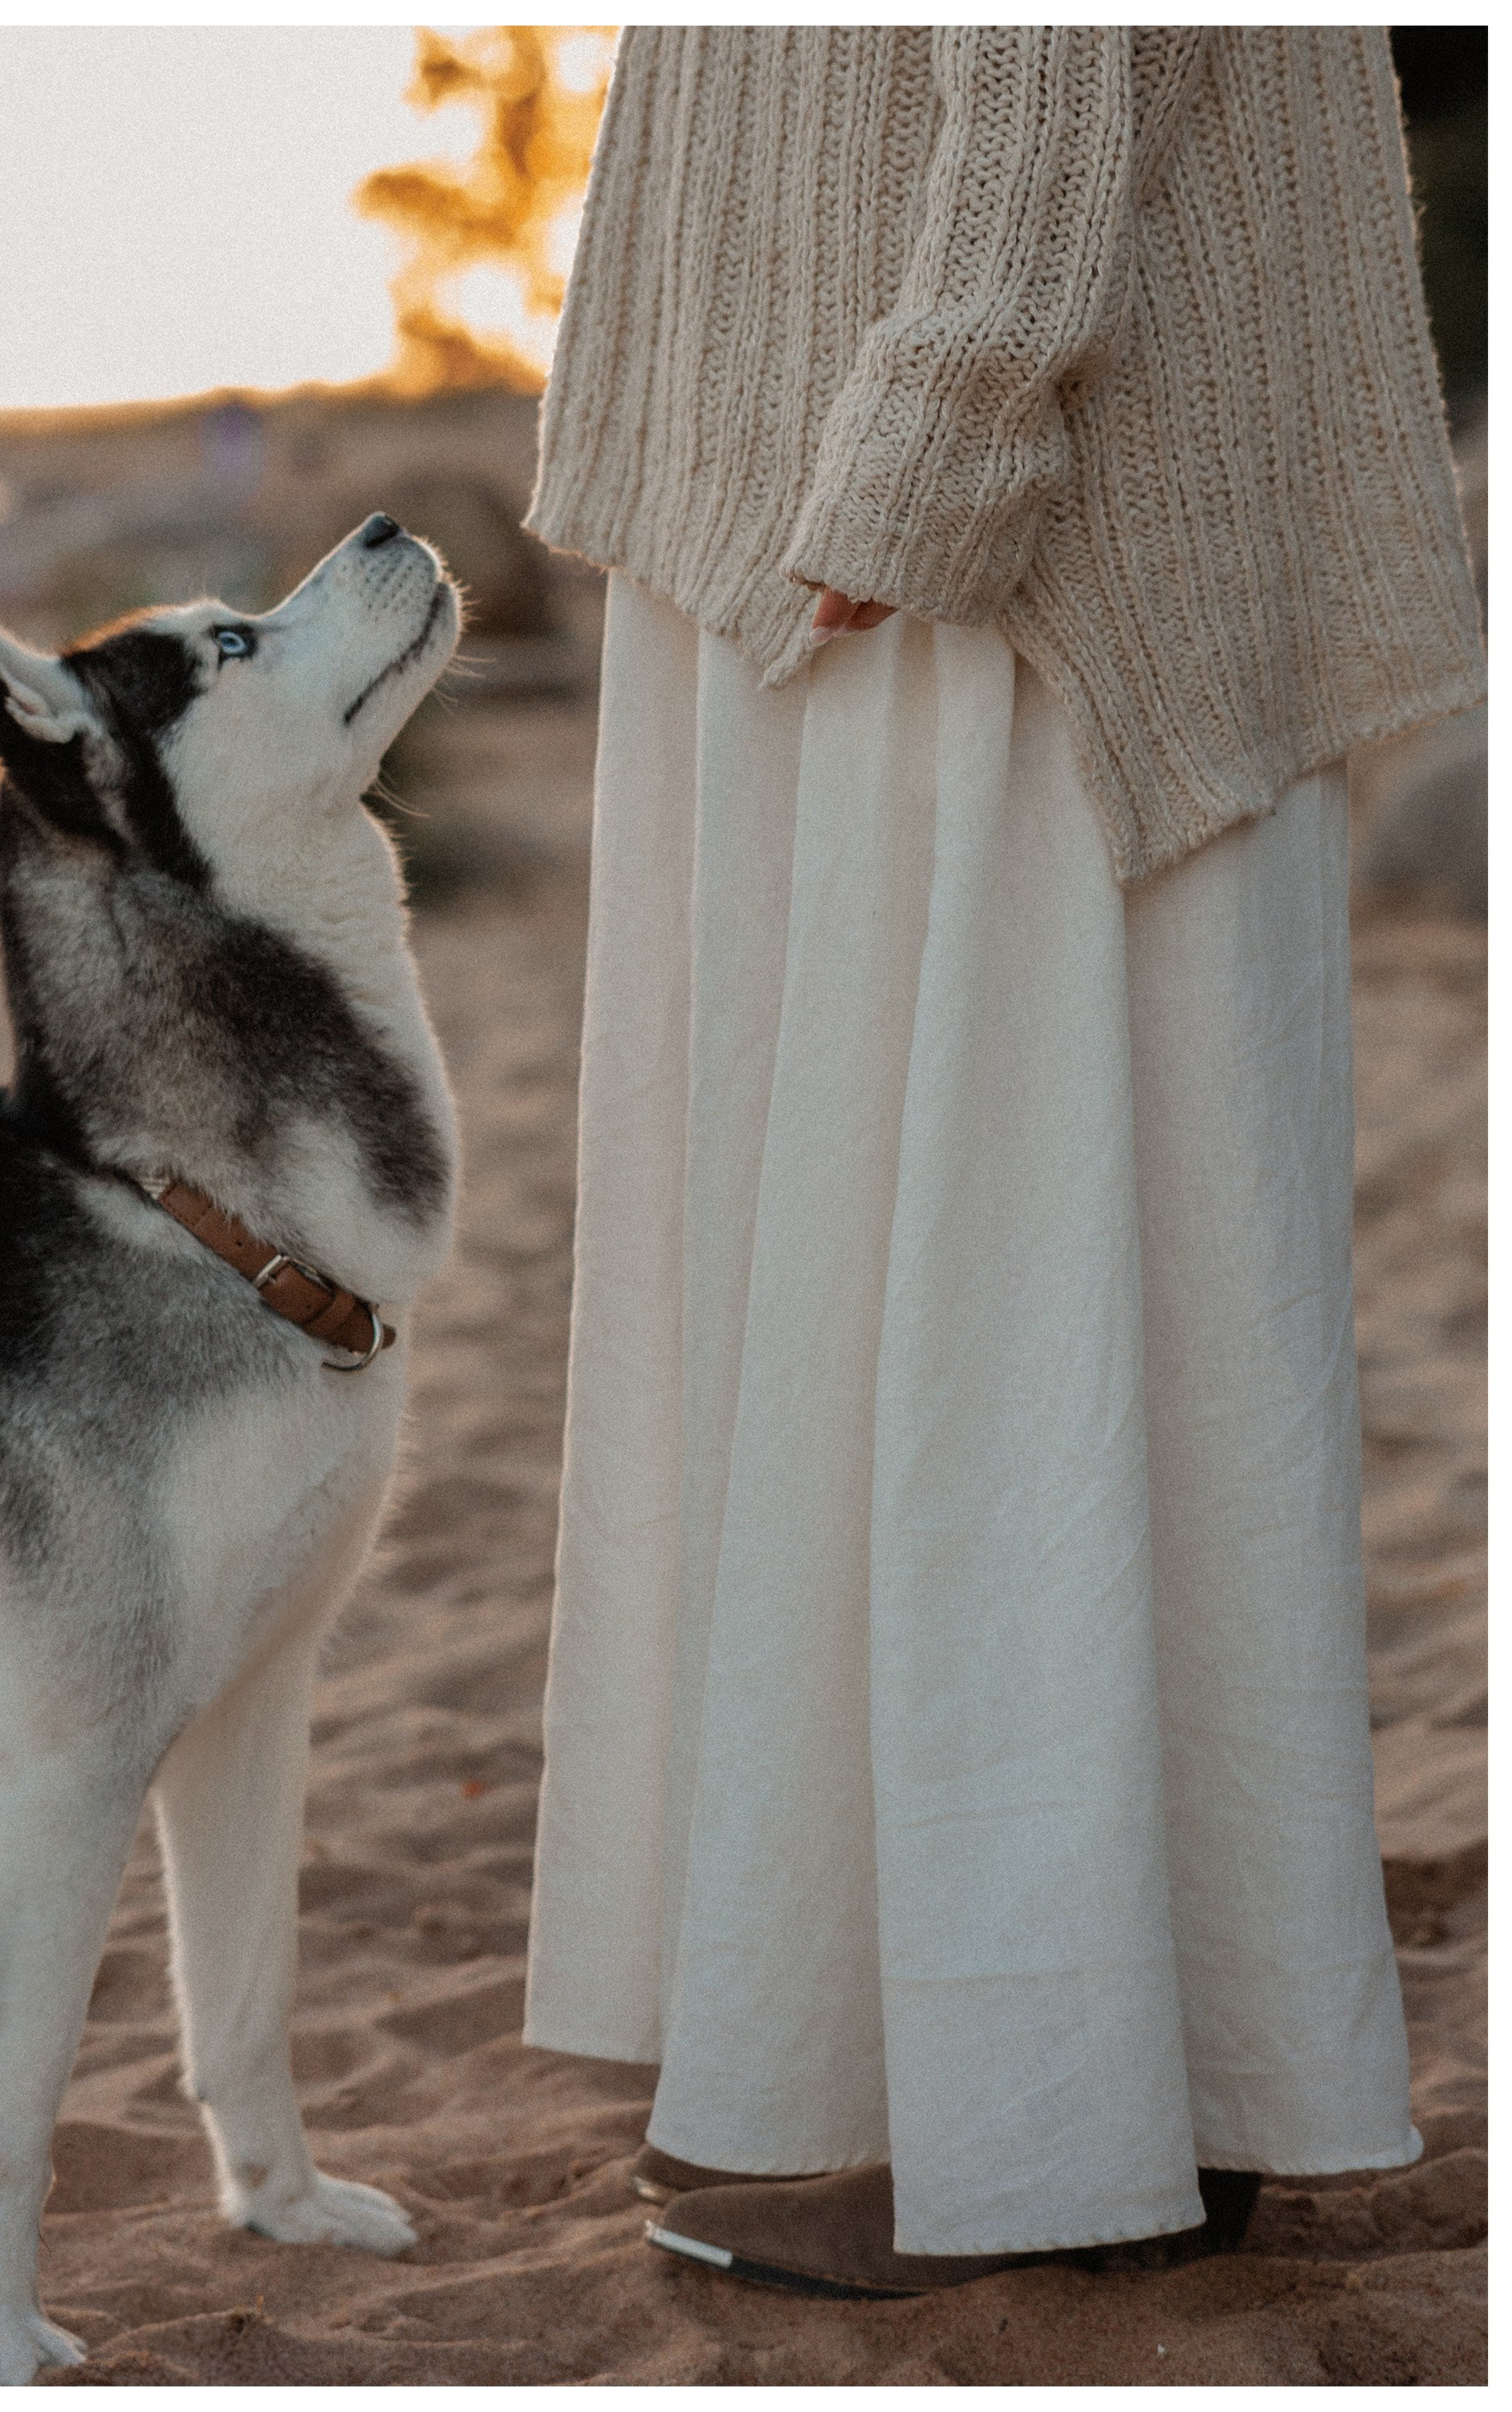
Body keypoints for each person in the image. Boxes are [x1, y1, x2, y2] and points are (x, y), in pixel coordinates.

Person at [519, 26, 1485, 2298]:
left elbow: (1063, 72)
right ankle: (1124, 2087)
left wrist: (926, 436)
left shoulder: (936, 482)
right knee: (1025, 1297)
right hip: (910, 503)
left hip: (986, 562)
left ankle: (1048, 2125)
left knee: (986, 1299)